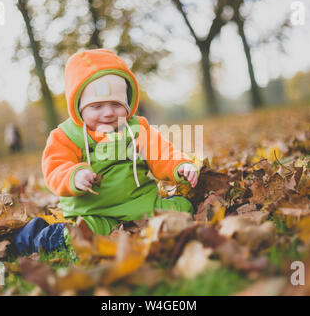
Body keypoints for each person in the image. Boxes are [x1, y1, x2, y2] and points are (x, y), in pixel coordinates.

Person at [14, 48, 199, 255]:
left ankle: (162, 214)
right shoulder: (65, 136)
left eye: (115, 104)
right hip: (95, 212)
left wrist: (180, 165)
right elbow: (56, 168)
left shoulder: (137, 128)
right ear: (79, 107)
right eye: (97, 106)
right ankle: (38, 236)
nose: (108, 112)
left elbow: (162, 153)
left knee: (183, 208)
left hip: (140, 204)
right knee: (80, 235)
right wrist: (75, 175)